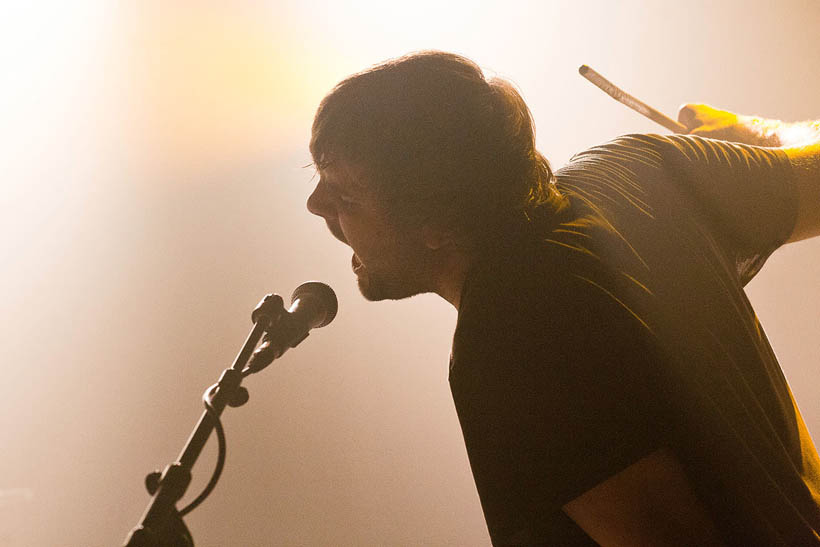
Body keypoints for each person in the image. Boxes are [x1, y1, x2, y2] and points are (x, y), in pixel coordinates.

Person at [306, 50, 820, 545]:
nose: (315, 205)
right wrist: (750, 136)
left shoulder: (509, 338)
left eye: (346, 196)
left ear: (435, 222)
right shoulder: (642, 167)